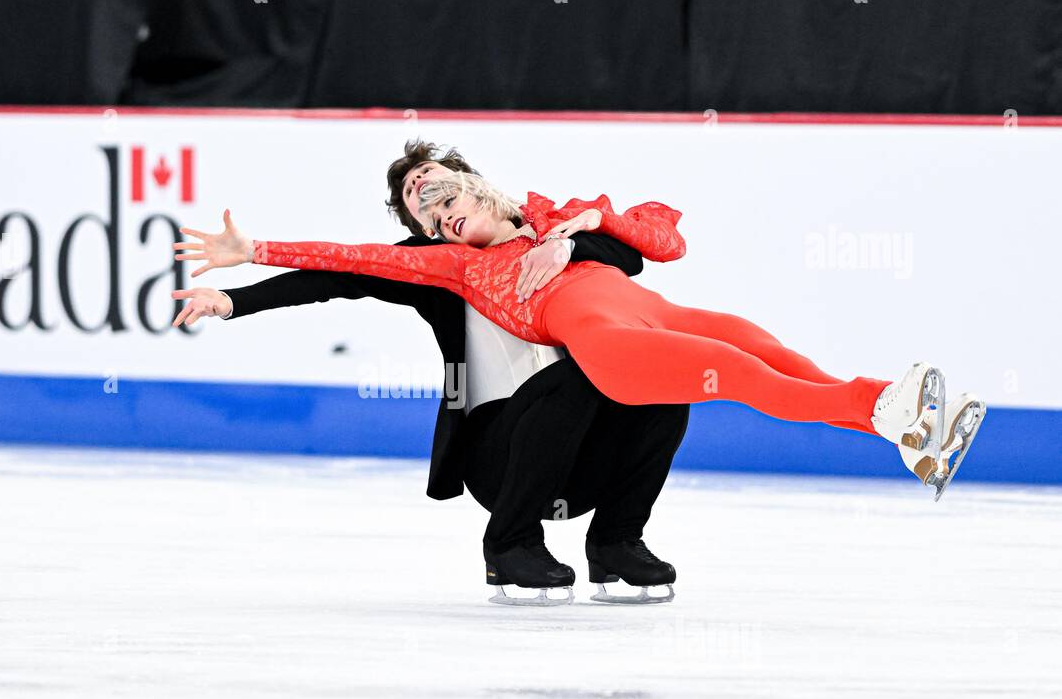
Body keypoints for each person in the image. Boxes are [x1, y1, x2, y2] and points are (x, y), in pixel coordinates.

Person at [176, 170, 987, 506]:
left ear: (478, 184)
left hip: (654, 313)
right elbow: (347, 262)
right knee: (741, 373)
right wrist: (252, 259)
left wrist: (590, 222)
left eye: (442, 192)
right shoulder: (457, 267)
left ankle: (912, 435)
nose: (437, 209)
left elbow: (666, 236)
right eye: (426, 214)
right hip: (611, 348)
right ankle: (888, 409)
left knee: (769, 349)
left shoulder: (563, 217)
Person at [170, 142, 688, 605]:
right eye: (421, 205)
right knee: (575, 381)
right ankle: (510, 544)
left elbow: (631, 256)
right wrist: (234, 300)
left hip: (581, 454)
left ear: (471, 186)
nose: (427, 195)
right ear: (424, 231)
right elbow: (334, 274)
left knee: (664, 380)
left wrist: (568, 245)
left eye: (434, 182)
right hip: (499, 457)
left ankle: (616, 541)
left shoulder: (553, 229)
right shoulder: (432, 265)